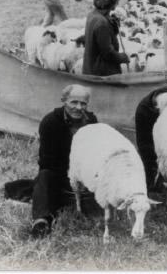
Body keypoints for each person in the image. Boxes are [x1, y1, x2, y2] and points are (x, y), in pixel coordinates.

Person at [31, 84, 97, 238]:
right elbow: (47, 161)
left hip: (85, 176)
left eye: (83, 103)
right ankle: (42, 220)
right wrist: (70, 176)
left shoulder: (92, 121)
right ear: (64, 101)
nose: (79, 107)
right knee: (44, 176)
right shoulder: (50, 122)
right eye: (74, 102)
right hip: (60, 174)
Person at [82, 0, 129, 76]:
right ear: (112, 2)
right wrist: (123, 57)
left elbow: (102, 39)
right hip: (101, 74)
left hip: (91, 68)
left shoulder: (92, 15)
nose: (118, 3)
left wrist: (113, 26)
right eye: (117, 1)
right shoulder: (101, 23)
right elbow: (108, 54)